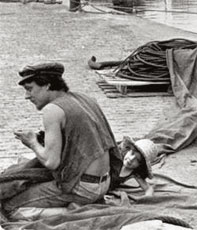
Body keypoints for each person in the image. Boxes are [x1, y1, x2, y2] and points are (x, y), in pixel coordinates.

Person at [2, 63, 122, 220]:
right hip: (104, 183)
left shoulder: (52, 110)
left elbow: (51, 162)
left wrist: (32, 142)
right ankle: (76, 205)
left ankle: (78, 213)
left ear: (47, 85)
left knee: (10, 207)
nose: (26, 96)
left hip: (84, 188)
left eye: (30, 89)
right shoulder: (85, 99)